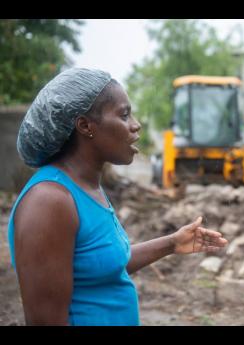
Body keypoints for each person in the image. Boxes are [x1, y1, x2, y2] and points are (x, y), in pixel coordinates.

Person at [7, 68, 228, 326]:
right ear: (85, 126)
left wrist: (171, 243)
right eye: (124, 115)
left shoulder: (88, 188)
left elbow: (103, 265)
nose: (136, 124)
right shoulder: (49, 202)